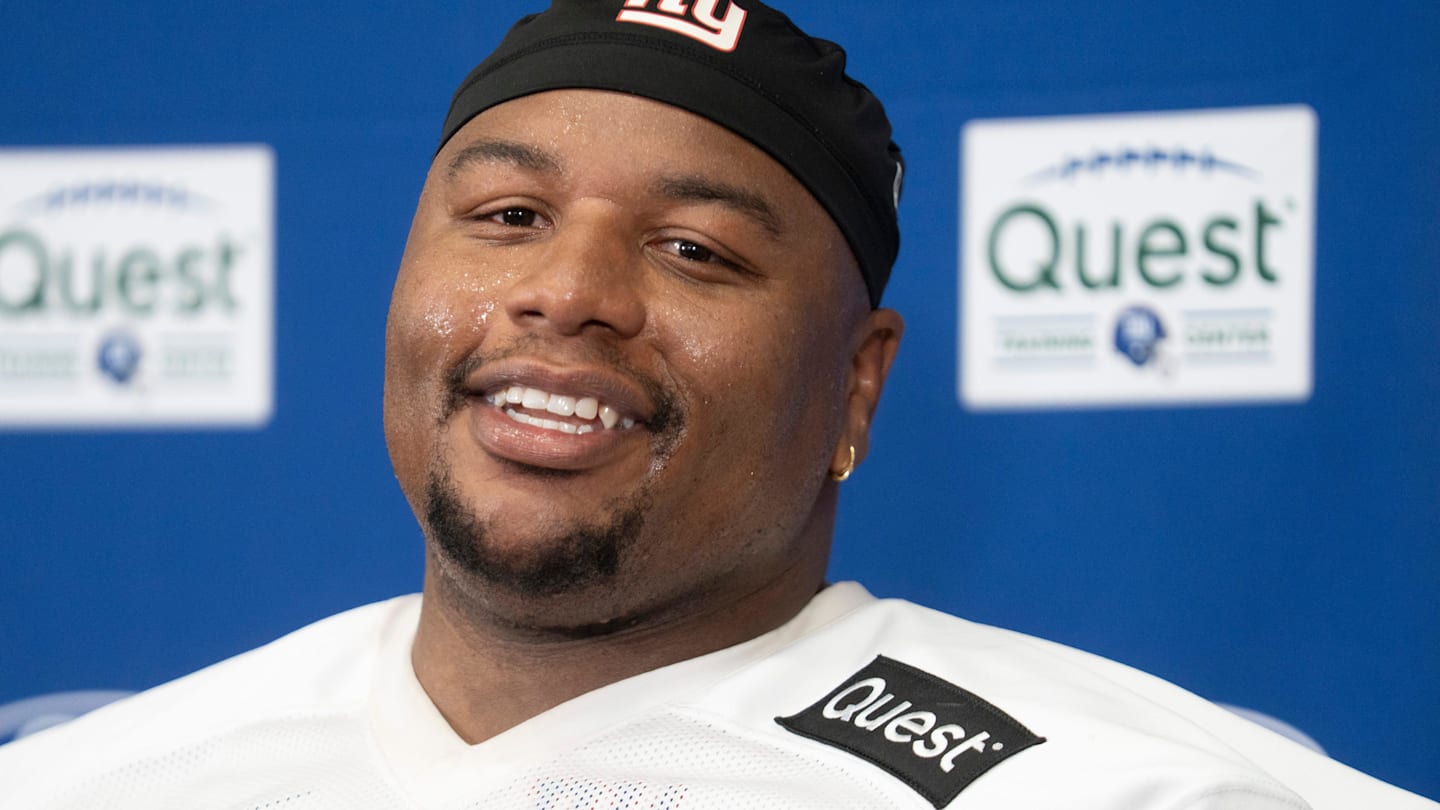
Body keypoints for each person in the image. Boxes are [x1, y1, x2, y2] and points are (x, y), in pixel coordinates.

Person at [0, 2, 1434, 808]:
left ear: (854, 386)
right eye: (505, 213)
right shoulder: (95, 781)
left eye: (695, 249)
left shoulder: (1130, 797)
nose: (568, 293)